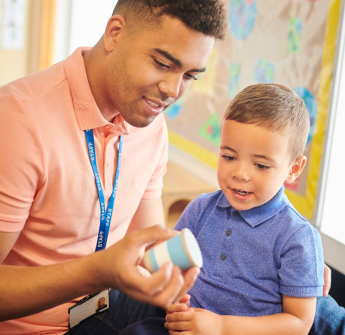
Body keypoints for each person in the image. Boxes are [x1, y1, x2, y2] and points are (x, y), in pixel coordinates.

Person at [0, 0, 227, 334]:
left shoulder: (151, 124)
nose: (172, 91)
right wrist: (98, 271)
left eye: (189, 75)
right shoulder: (18, 119)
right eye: (163, 63)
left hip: (105, 311)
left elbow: (149, 245)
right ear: (115, 33)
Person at [119, 84, 344, 335]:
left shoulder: (298, 237)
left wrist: (221, 326)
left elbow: (299, 324)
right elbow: (166, 268)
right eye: (229, 157)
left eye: (260, 165)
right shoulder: (200, 210)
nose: (240, 174)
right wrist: (171, 294)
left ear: (293, 169)